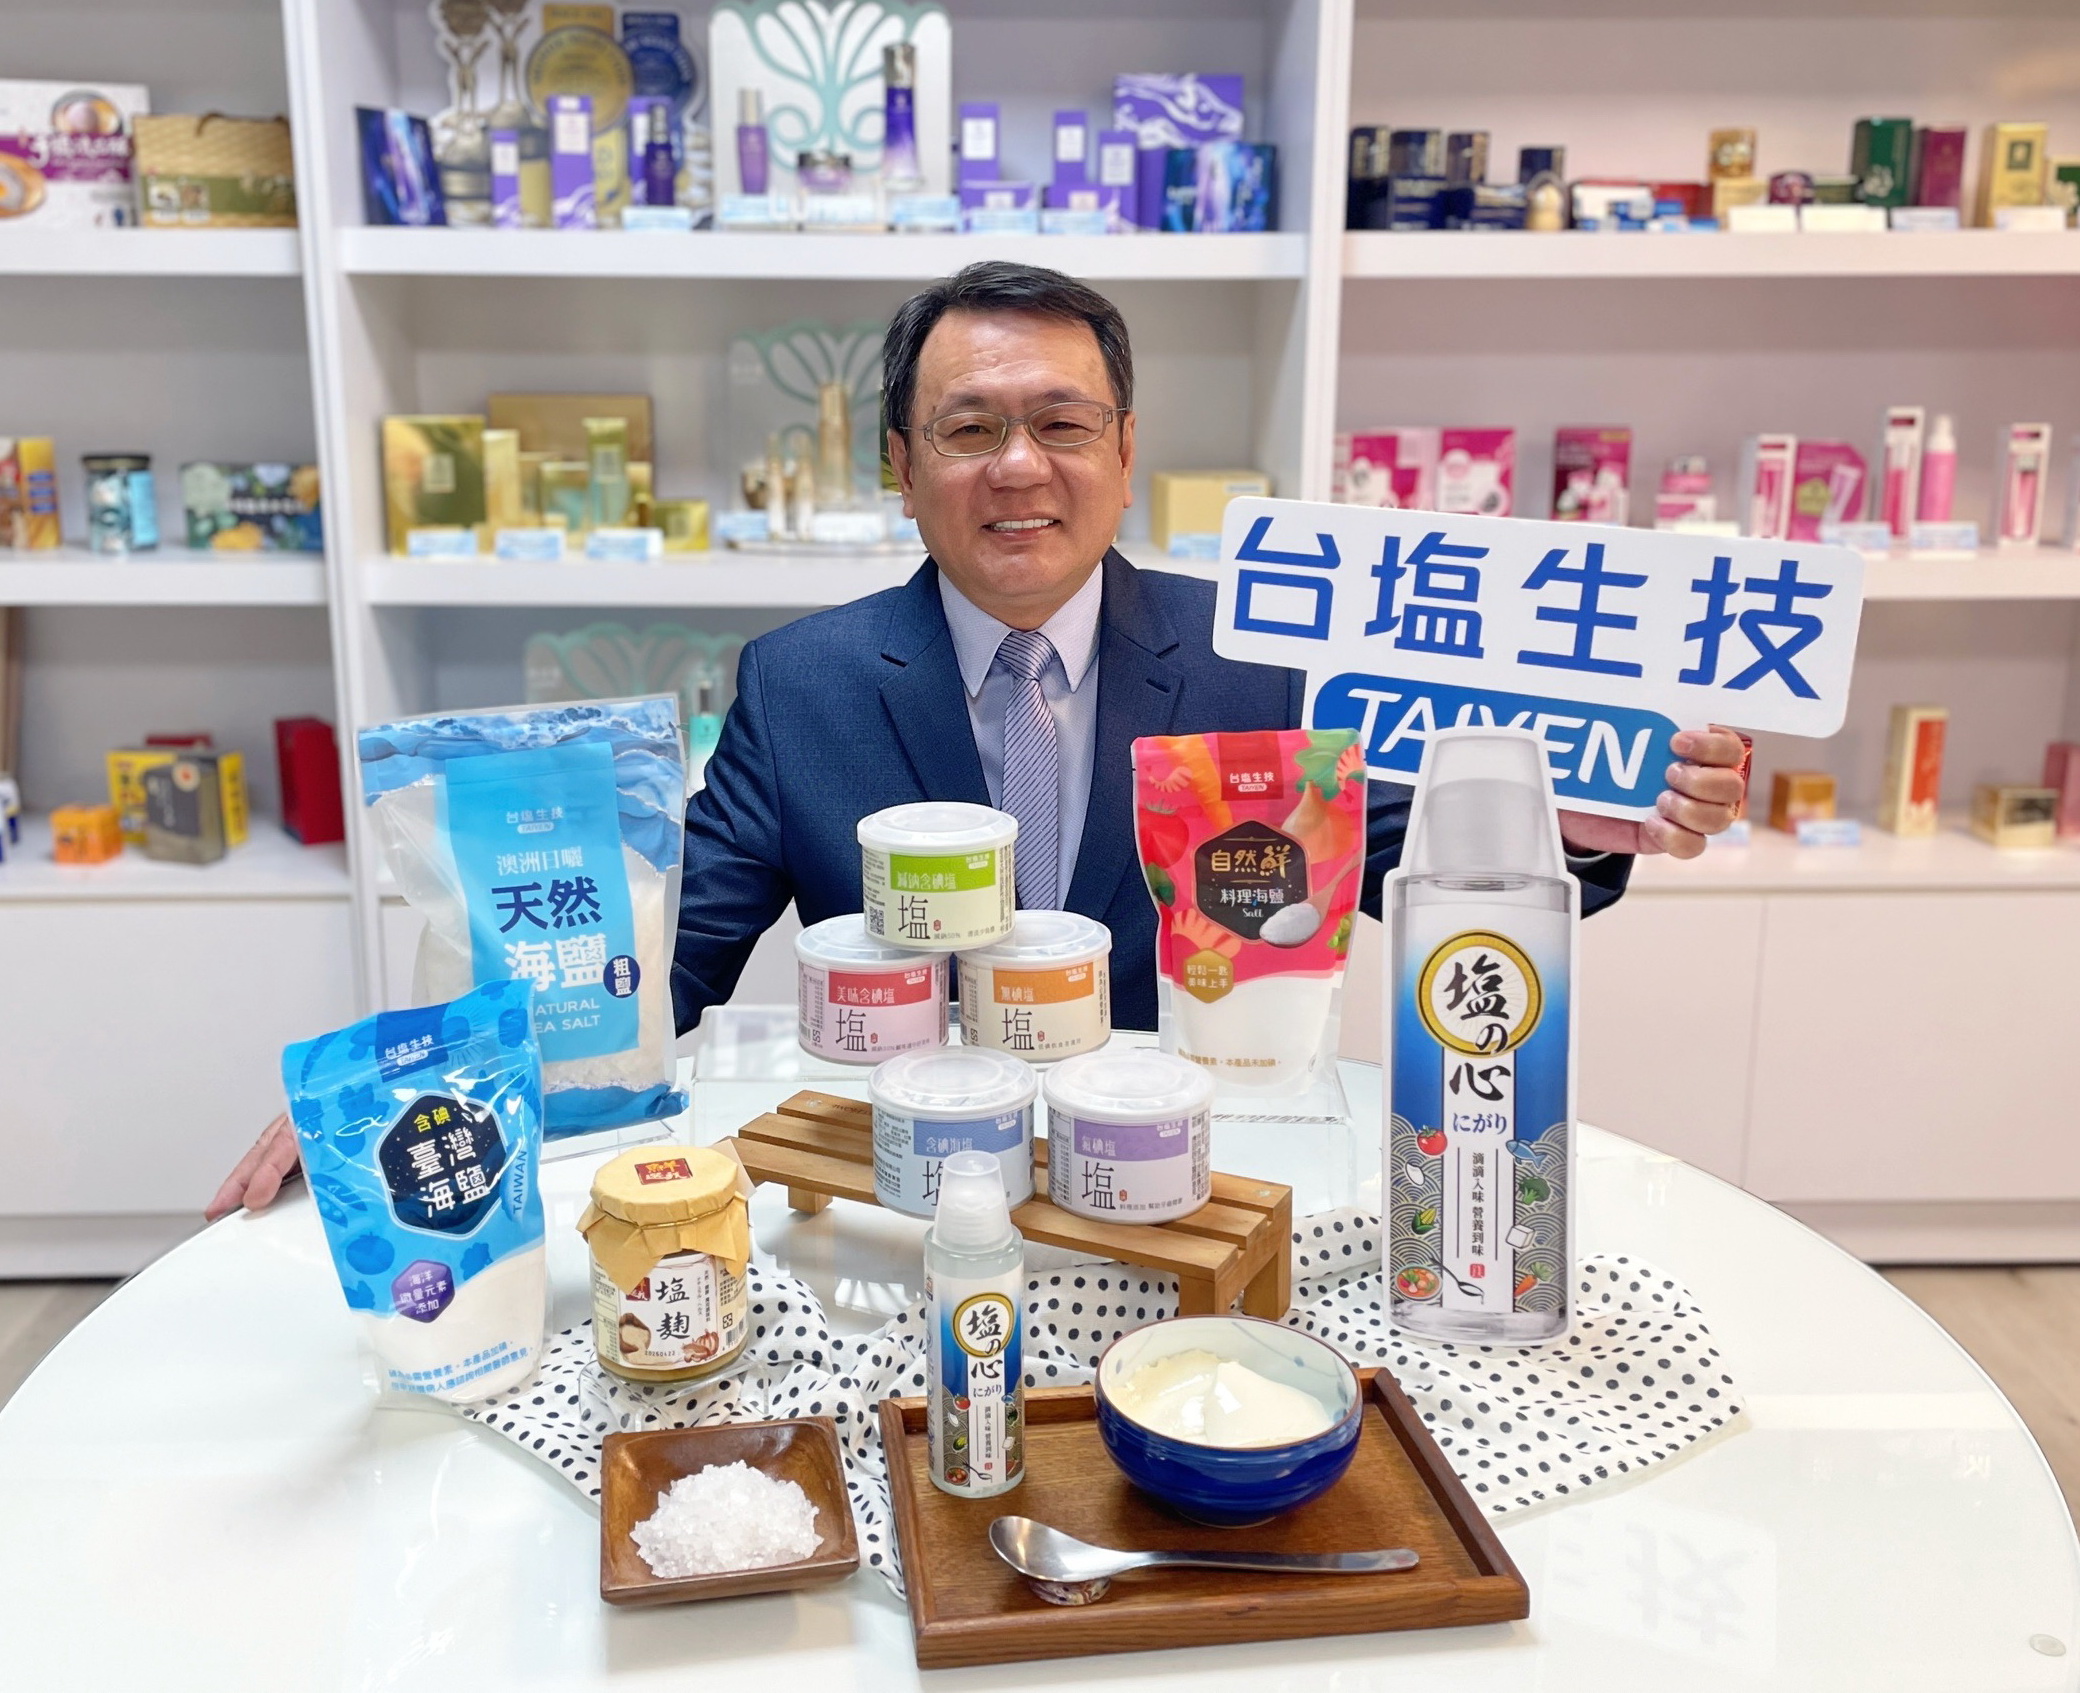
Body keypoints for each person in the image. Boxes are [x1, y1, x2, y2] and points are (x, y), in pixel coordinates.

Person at [209, 261, 1746, 1219]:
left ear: (1126, 452)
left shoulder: (1262, 660)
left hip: (1192, 1180)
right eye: (968, 427)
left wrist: (1594, 807)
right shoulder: (803, 683)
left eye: (1063, 423)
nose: (1020, 465)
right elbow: (658, 956)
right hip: (899, 1194)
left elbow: (1418, 851)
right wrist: (430, 1078)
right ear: (900, 464)